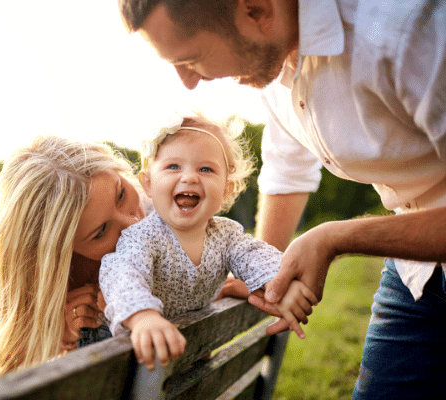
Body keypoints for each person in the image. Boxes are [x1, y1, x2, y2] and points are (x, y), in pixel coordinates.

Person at [117, 0, 446, 398]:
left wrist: (333, 237)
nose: (188, 82)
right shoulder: (274, 68)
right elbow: (286, 170)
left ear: (257, 11)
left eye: (192, 58)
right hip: (418, 274)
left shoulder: (410, 35)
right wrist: (263, 275)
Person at [0, 133, 258, 384]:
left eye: (120, 194)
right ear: (62, 254)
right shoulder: (63, 293)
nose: (132, 222)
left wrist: (212, 288)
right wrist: (59, 338)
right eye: (101, 231)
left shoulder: (167, 218)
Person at [99, 111, 317, 370]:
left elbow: (256, 256)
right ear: (147, 184)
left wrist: (279, 282)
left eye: (206, 169)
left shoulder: (226, 236)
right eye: (173, 166)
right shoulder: (141, 238)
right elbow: (122, 275)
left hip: (188, 359)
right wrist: (143, 316)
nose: (190, 177)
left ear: (226, 190)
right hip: (140, 362)